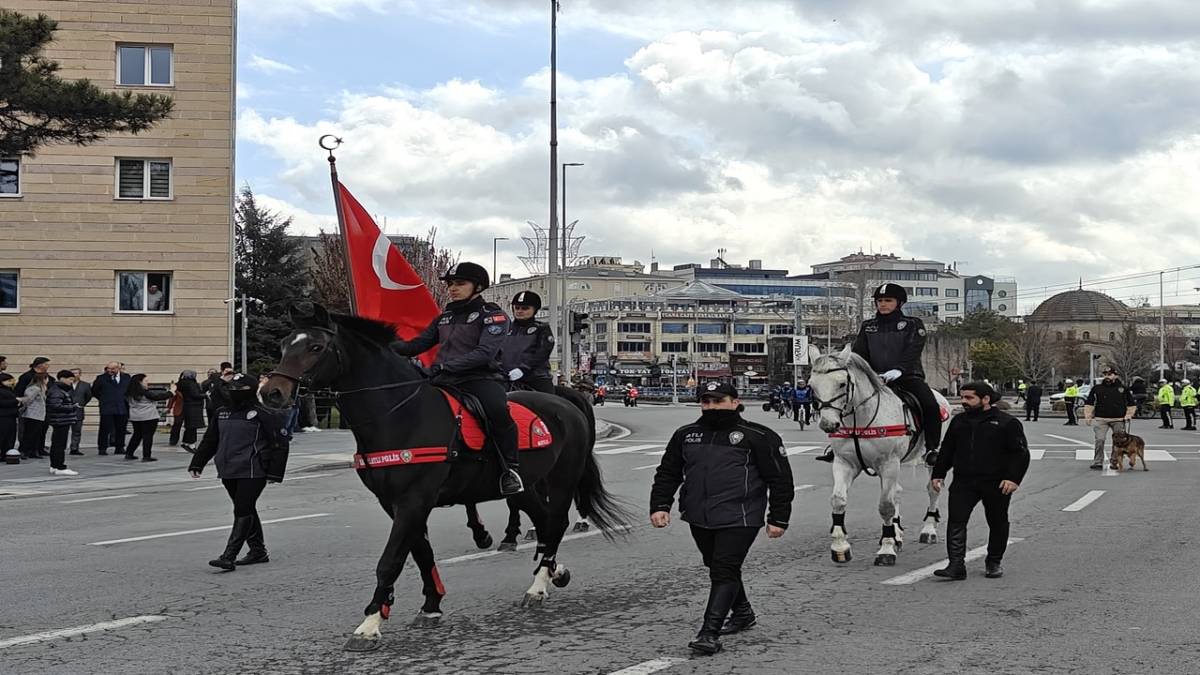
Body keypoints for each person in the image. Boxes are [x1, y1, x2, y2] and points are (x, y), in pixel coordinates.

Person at [650, 382, 793, 655]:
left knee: (723, 569)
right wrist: (660, 505)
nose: (712, 407)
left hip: (741, 516)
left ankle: (709, 633)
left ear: (735, 402)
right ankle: (742, 612)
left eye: (719, 401)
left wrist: (779, 518)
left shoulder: (758, 436)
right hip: (698, 515)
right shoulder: (686, 435)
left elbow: (780, 479)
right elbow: (668, 472)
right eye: (706, 402)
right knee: (716, 565)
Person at [389, 262, 523, 496]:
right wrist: (384, 346)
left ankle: (510, 469)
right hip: (444, 379)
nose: (453, 288)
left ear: (478, 286)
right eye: (451, 284)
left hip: (479, 378)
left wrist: (444, 366)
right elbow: (418, 345)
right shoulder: (445, 317)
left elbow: (484, 353)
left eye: (460, 284)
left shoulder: (493, 316)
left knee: (497, 411)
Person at [818, 283, 941, 465]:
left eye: (888, 300)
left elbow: (913, 350)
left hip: (907, 377)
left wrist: (898, 370)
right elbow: (859, 354)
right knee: (846, 400)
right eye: (880, 301)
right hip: (874, 378)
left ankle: (932, 448)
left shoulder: (912, 324)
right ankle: (838, 445)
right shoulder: (868, 326)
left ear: (899, 303)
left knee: (930, 406)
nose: (883, 304)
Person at [188, 374, 291, 570]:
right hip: (228, 468)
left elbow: (280, 443)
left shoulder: (263, 413)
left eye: (241, 388)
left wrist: (275, 474)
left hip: (254, 469)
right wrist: (197, 463)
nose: (234, 392)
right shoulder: (222, 413)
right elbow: (211, 440)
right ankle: (258, 551)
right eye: (232, 387)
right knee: (247, 508)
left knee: (242, 509)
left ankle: (229, 555)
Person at [931, 382, 1030, 580]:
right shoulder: (959, 422)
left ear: (985, 399)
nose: (963, 401)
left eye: (969, 398)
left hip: (996, 482)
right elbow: (948, 449)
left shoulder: (1006, 423)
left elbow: (1020, 454)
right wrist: (938, 473)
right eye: (962, 397)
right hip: (963, 481)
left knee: (997, 522)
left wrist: (1013, 478)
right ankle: (956, 565)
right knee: (956, 521)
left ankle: (993, 562)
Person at [499, 291, 556, 394]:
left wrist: (524, 369)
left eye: (525, 308)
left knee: (547, 405)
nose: (520, 311)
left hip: (536, 378)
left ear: (535, 310)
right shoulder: (505, 328)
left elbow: (542, 353)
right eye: (517, 308)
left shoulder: (542, 329)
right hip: (506, 377)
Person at [1083, 367, 1136, 471]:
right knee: (1100, 440)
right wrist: (1088, 416)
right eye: (1105, 374)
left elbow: (1131, 404)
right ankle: (1098, 462)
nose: (1107, 376)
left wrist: (1128, 415)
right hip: (1101, 418)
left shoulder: (1123, 388)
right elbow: (1089, 403)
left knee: (1118, 442)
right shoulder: (1097, 388)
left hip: (1118, 419)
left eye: (1110, 374)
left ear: (1115, 376)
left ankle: (1114, 462)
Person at [124, 374, 172, 461]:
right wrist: (171, 392)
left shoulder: (129, 392)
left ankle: (129, 453)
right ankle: (146, 456)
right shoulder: (144, 393)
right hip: (148, 417)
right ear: (140, 382)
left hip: (135, 416)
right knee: (148, 436)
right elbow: (158, 397)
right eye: (146, 381)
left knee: (137, 435)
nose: (147, 383)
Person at [45, 370, 81, 476]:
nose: (71, 382)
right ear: (62, 378)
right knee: (59, 444)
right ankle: (59, 466)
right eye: (70, 379)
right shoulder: (57, 391)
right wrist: (73, 407)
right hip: (60, 420)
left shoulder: (61, 389)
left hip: (61, 419)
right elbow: (56, 406)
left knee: (57, 443)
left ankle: (54, 465)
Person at [92, 362, 132, 455]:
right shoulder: (101, 378)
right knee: (104, 428)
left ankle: (120, 447)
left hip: (122, 407)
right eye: (109, 368)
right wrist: (103, 399)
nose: (110, 371)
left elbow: (130, 390)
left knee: (121, 428)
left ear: (118, 368)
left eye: (113, 369)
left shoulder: (126, 377)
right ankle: (102, 448)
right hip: (107, 407)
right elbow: (95, 391)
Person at [18, 369, 50, 460]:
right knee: (29, 434)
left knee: (36, 434)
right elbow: (27, 399)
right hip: (32, 414)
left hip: (39, 415)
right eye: (46, 378)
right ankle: (24, 451)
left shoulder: (42, 388)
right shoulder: (34, 388)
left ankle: (33, 451)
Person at [176, 370, 208, 452]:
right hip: (194, 407)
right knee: (193, 427)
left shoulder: (181, 383)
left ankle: (185, 442)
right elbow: (195, 394)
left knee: (189, 426)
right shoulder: (191, 384)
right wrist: (205, 395)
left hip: (187, 406)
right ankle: (191, 444)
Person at [68, 368, 92, 456]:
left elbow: (88, 396)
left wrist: (82, 403)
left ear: (80, 374)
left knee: (77, 431)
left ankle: (74, 448)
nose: (74, 375)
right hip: (66, 411)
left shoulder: (85, 385)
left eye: (76, 373)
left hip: (78, 410)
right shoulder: (65, 384)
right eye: (72, 373)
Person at [0, 374, 20, 464]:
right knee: (3, 435)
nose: (11, 383)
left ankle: (7, 453)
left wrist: (19, 403)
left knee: (10, 436)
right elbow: (2, 403)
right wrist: (16, 401)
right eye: (8, 381)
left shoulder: (10, 390)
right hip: (3, 416)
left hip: (11, 415)